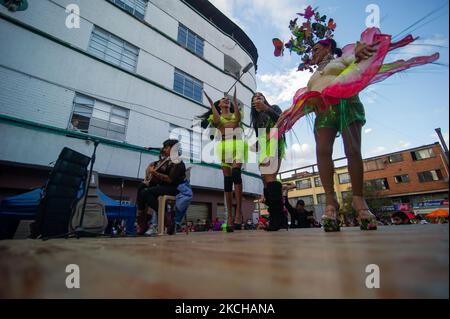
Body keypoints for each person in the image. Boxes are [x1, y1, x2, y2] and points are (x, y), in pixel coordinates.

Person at [272, 7, 438, 232]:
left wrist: (362, 50)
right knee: (322, 151)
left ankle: (359, 200)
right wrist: (288, 113)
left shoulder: (342, 59)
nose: (313, 53)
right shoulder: (313, 76)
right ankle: (331, 202)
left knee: (352, 150)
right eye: (311, 51)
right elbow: (306, 101)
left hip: (347, 104)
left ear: (328, 47)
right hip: (324, 111)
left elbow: (359, 57)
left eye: (316, 49)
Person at [198, 88, 248, 232]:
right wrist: (211, 103)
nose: (225, 100)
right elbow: (217, 121)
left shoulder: (235, 114)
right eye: (223, 100)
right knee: (227, 182)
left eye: (227, 100)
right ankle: (230, 217)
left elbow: (237, 120)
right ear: (219, 105)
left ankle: (238, 212)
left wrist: (235, 99)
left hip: (237, 144)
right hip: (224, 146)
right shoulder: (215, 117)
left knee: (236, 174)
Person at [250, 92, 288, 231]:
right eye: (254, 97)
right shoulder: (256, 118)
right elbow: (261, 137)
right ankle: (280, 218)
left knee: (270, 178)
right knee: (266, 181)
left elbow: (281, 120)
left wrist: (266, 108)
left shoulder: (274, 108)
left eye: (260, 95)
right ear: (253, 104)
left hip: (275, 143)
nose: (257, 96)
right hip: (264, 147)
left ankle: (276, 220)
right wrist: (255, 145)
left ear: (264, 99)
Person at [135, 139, 186, 235]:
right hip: (162, 187)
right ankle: (143, 221)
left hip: (174, 189)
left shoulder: (177, 162)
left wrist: (154, 172)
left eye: (166, 147)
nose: (164, 149)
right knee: (142, 186)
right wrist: (149, 175)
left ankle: (165, 217)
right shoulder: (166, 161)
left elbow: (169, 179)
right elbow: (157, 174)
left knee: (146, 192)